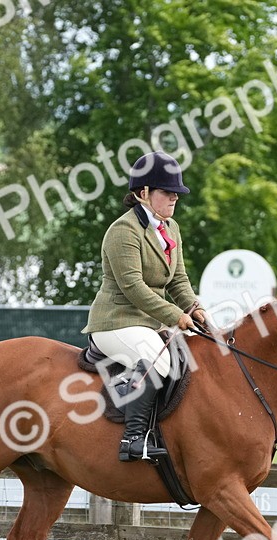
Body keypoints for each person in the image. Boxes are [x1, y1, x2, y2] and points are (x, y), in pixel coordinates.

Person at [82, 151, 207, 462]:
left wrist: (194, 307)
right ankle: (133, 438)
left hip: (146, 322)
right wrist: (175, 316)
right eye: (167, 192)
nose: (174, 198)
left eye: (176, 193)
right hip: (116, 321)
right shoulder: (122, 232)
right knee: (159, 359)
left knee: (190, 358)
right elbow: (134, 288)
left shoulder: (170, 228)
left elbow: (178, 278)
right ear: (143, 193)